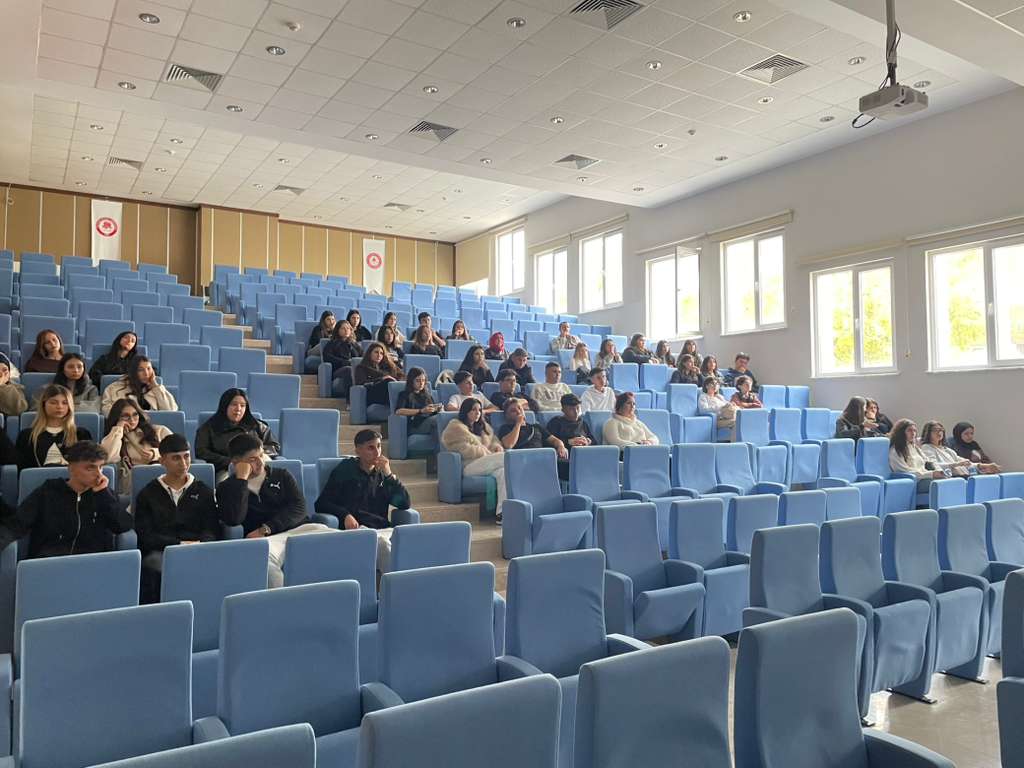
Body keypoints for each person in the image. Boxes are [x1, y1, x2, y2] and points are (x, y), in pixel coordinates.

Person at [217, 433, 331, 588]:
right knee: (265, 561)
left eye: (261, 455)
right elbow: (234, 518)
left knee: (339, 538)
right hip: (268, 542)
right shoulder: (226, 488)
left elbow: (299, 508)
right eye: (252, 459)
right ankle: (284, 600)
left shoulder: (282, 475)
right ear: (236, 462)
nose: (260, 462)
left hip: (300, 529)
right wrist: (241, 481)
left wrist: (267, 528)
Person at [0, 441, 131, 558]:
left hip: (92, 562)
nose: (99, 474)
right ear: (71, 469)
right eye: (90, 468)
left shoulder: (105, 495)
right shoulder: (48, 491)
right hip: (50, 561)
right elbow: (17, 524)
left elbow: (122, 526)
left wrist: (103, 494)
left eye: (101, 467)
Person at [134, 434, 220, 603]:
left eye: (186, 456)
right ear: (162, 461)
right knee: (154, 567)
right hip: (162, 551)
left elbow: (211, 528)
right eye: (176, 458)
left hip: (198, 549)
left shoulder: (203, 491)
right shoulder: (148, 493)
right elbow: (145, 535)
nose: (183, 463)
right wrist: (179, 544)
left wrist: (200, 544)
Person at [315, 429, 412, 570]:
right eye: (370, 448)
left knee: (409, 543)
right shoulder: (345, 470)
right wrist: (345, 515)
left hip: (383, 529)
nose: (377, 452)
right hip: (359, 530)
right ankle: (397, 583)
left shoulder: (384, 475)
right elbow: (321, 503)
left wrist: (389, 475)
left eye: (379, 446)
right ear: (358, 450)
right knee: (384, 546)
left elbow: (404, 504)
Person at [441, 398, 506, 523]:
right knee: (506, 458)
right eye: (474, 410)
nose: (478, 413)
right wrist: (487, 452)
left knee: (503, 472)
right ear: (466, 411)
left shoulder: (484, 427)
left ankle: (501, 513)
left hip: (488, 463)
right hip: (469, 466)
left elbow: (494, 441)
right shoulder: (455, 428)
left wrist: (496, 447)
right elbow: (463, 449)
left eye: (480, 410)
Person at [195, 388, 281, 481]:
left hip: (258, 468)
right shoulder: (209, 428)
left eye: (242, 405)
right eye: (234, 404)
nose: (238, 409)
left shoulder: (257, 426)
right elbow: (202, 452)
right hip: (227, 469)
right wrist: (231, 461)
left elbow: (273, 446)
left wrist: (255, 456)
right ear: (224, 406)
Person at [100, 398, 171, 493]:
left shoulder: (159, 431)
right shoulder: (115, 436)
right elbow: (107, 457)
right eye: (126, 416)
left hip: (163, 476)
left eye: (135, 414)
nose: (132, 420)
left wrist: (155, 454)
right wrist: (118, 429)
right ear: (117, 418)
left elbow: (177, 451)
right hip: (134, 482)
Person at [15, 384, 91, 470]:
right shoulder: (27, 436)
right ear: (44, 404)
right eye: (53, 402)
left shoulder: (81, 434)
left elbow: (89, 467)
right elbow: (23, 469)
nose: (59, 407)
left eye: (65, 403)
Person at [498, 400, 569, 474]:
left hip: (543, 460)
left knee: (571, 467)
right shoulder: (505, 428)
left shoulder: (536, 427)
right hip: (523, 462)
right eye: (513, 411)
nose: (518, 412)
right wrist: (518, 424)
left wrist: (561, 446)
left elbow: (554, 440)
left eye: (519, 408)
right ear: (507, 416)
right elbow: (508, 445)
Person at [100, 355, 177, 415]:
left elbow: (170, 413)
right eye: (141, 370)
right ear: (133, 372)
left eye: (149, 368)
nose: (146, 373)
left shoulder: (157, 389)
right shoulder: (114, 388)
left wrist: (155, 386)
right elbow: (106, 411)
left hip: (154, 427)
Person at [889, 419, 948, 493]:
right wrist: (931, 474)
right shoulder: (896, 450)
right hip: (915, 482)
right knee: (942, 485)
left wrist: (938, 470)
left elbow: (928, 461)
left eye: (914, 431)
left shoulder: (915, 447)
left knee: (949, 481)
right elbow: (904, 472)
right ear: (901, 432)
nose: (913, 433)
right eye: (909, 430)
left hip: (925, 477)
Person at [919, 421, 999, 475]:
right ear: (928, 433)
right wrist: (956, 464)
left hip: (958, 476)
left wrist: (982, 465)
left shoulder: (947, 450)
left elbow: (964, 462)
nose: (939, 432)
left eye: (941, 430)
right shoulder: (926, 447)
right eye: (935, 430)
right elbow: (933, 465)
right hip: (945, 477)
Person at [546, 393, 594, 479]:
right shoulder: (555, 423)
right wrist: (569, 442)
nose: (576, 412)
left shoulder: (583, 423)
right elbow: (547, 443)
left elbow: (594, 442)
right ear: (563, 410)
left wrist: (587, 441)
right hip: (566, 459)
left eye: (578, 408)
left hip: (584, 456)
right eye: (571, 409)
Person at [354, 341, 404, 408]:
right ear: (369, 353)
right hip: (372, 394)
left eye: (381, 353)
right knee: (388, 381)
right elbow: (361, 383)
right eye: (376, 352)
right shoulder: (361, 367)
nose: (379, 355)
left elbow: (402, 376)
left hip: (388, 392)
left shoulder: (389, 366)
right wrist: (381, 379)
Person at [395, 367, 442, 435]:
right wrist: (421, 411)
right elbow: (398, 411)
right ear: (411, 381)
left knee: (441, 421)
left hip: (429, 421)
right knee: (438, 419)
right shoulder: (404, 394)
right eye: (418, 380)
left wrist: (438, 409)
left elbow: (433, 413)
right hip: (415, 425)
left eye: (423, 380)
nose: (421, 383)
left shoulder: (427, 395)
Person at [323, 320, 363, 398]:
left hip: (355, 368)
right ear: (338, 330)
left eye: (348, 328)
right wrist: (345, 362)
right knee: (348, 369)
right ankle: (350, 399)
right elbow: (327, 357)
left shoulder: (355, 345)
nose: (346, 330)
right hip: (339, 370)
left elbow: (362, 356)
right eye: (343, 328)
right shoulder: (332, 343)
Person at [0, 352, 28, 418]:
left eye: (4, 370)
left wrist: (2, 386)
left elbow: (20, 409)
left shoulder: (15, 388)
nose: (1, 374)